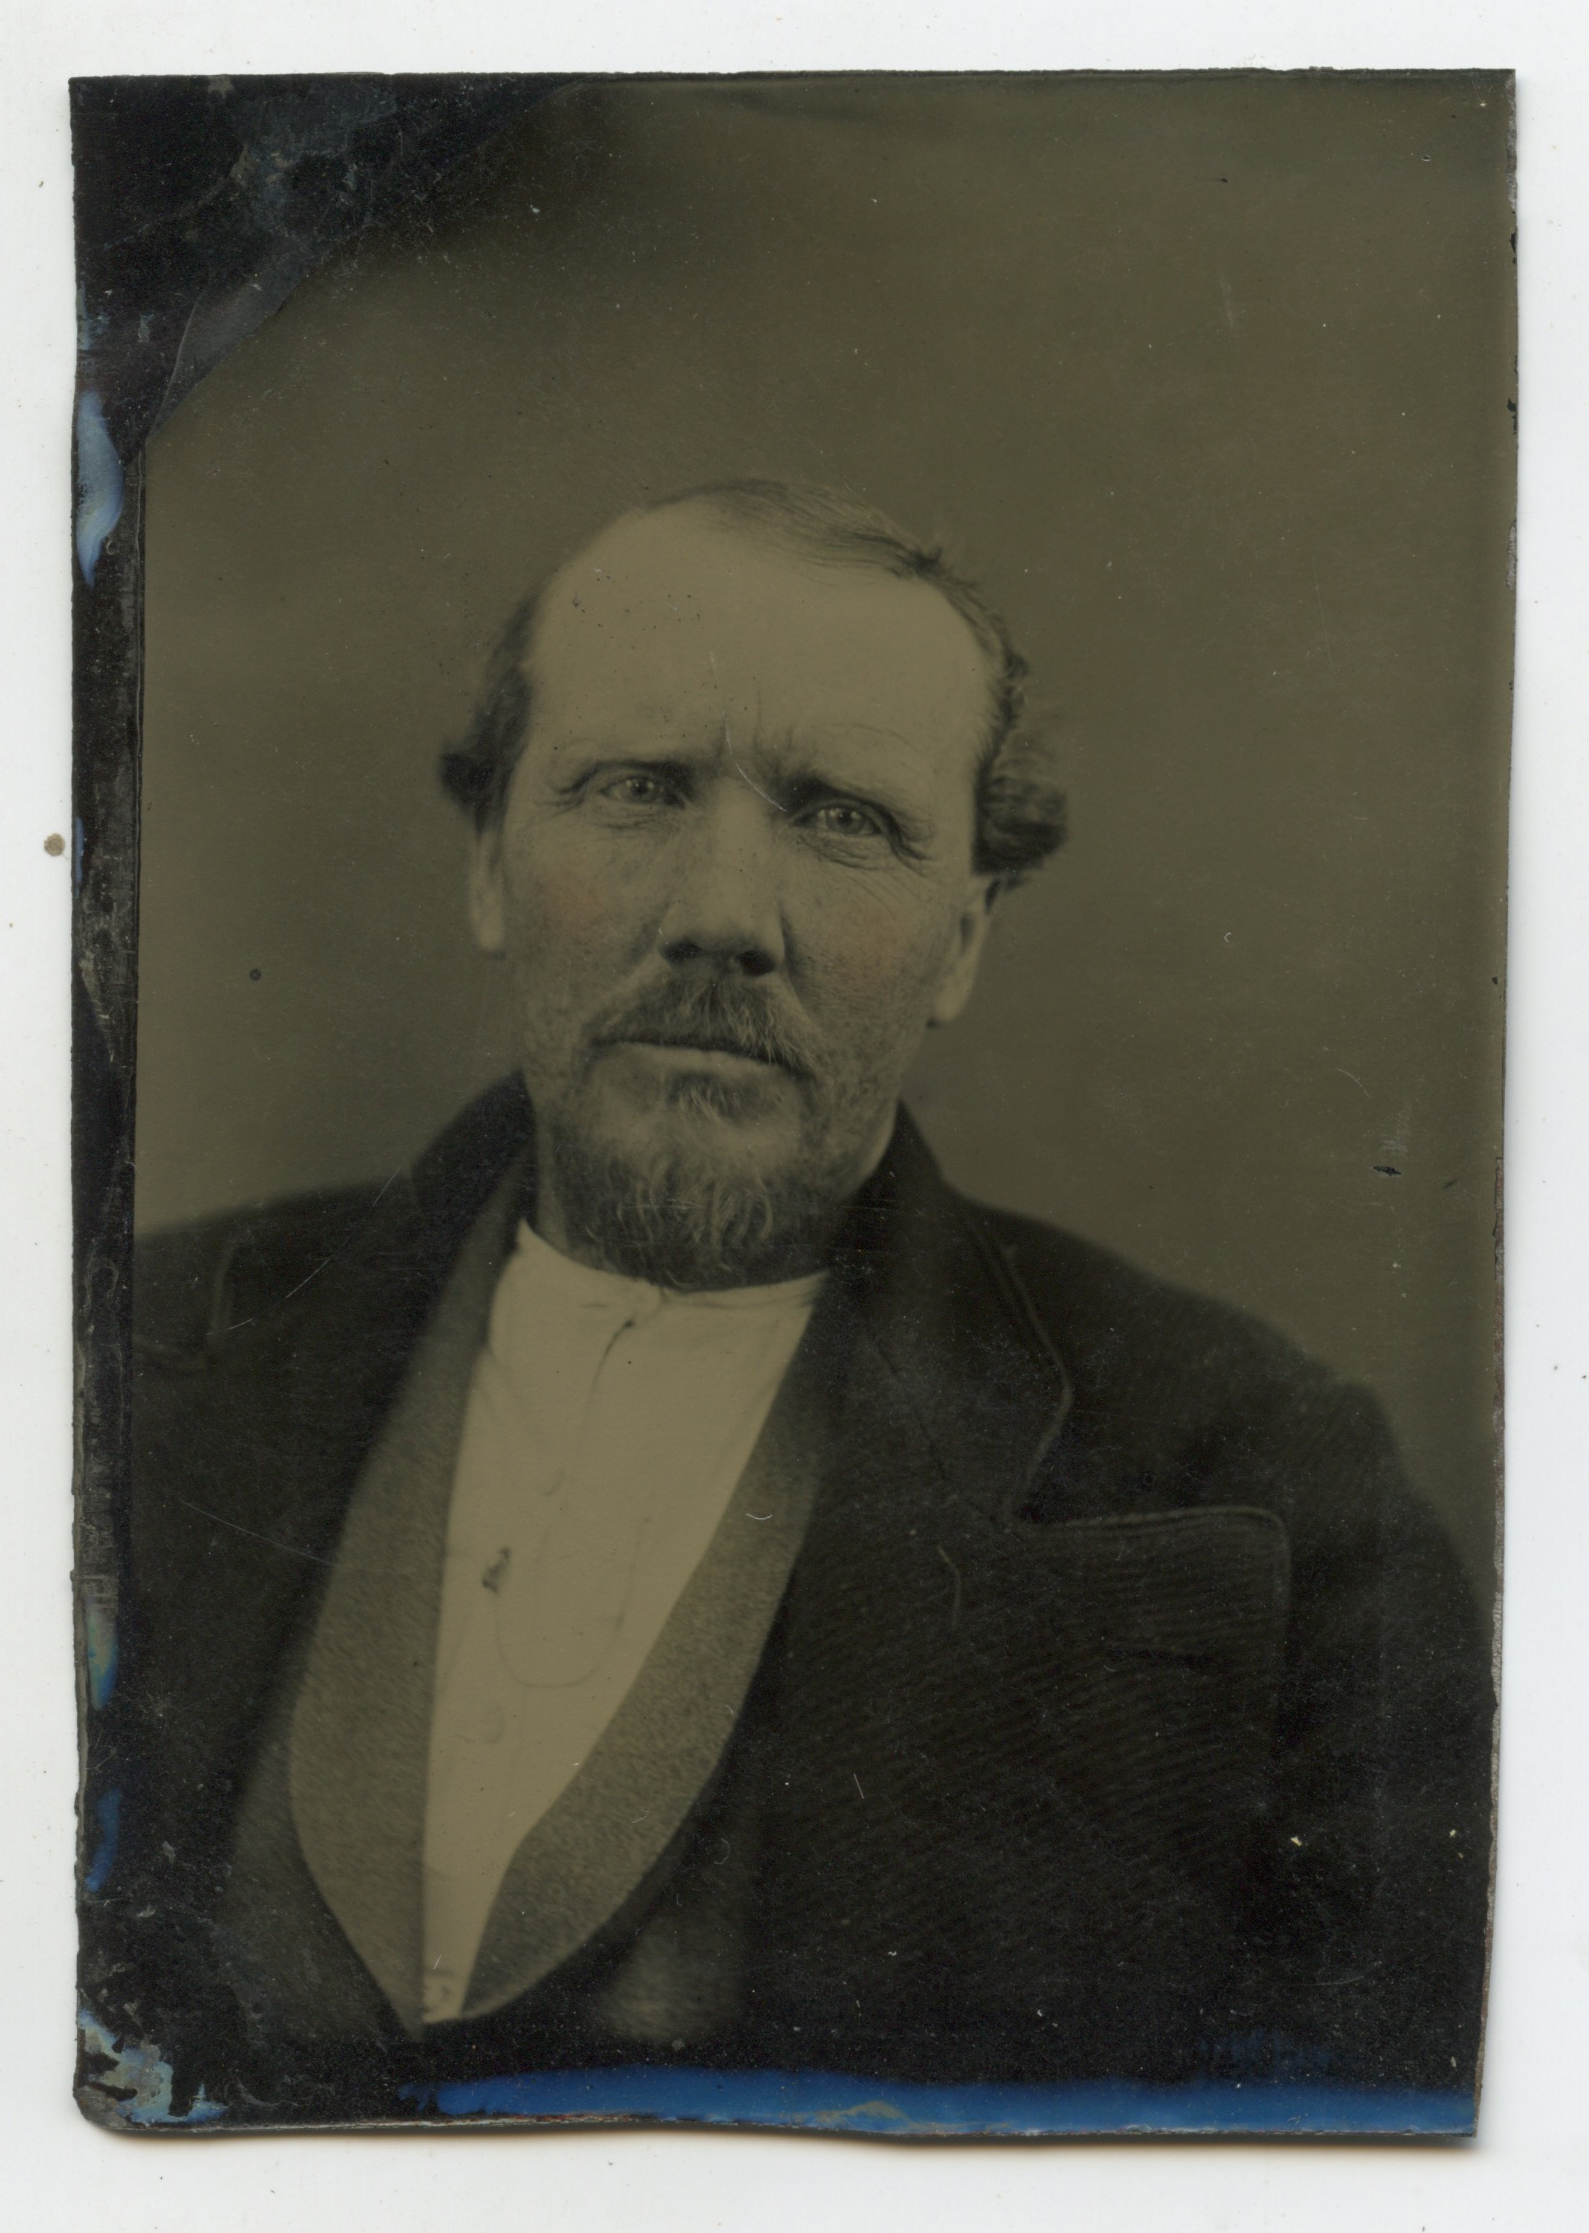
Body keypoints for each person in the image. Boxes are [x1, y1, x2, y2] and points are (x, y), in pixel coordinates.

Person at [100, 480, 1493, 2126]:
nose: (719, 916)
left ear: (962, 936)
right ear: (487, 863)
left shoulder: (1266, 1492)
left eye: (842, 819)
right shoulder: (115, 1359)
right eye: (634, 789)